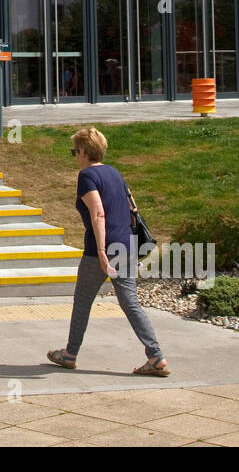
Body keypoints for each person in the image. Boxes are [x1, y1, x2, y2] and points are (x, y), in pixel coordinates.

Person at [47, 126, 170, 376]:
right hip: (125, 246)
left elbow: (98, 213)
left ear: (83, 153)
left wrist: (102, 252)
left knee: (82, 301)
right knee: (130, 302)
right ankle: (156, 355)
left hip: (100, 250)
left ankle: (70, 354)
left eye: (75, 152)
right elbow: (129, 208)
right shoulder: (115, 173)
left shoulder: (87, 177)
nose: (75, 156)